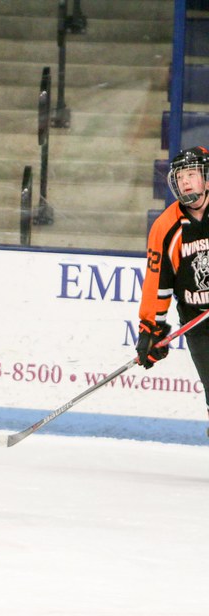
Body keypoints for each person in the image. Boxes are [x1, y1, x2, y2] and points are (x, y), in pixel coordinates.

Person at [137, 146, 209, 426]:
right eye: (180, 177)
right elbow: (158, 284)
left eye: (192, 174)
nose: (186, 182)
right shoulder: (166, 227)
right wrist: (151, 330)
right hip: (197, 323)